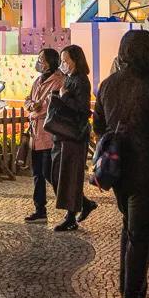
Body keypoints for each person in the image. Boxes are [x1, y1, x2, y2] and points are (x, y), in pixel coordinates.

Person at [92, 29, 149, 298]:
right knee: (141, 233)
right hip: (147, 170)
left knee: (130, 227)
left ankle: (128, 288)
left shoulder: (108, 84)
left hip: (119, 170)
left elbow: (98, 126)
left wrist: (114, 147)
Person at [52, 44, 96, 231]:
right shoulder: (69, 78)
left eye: (65, 60)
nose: (63, 64)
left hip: (74, 134)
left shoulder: (81, 81)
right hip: (62, 133)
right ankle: (84, 203)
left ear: (75, 60)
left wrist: (63, 97)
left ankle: (70, 216)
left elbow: (83, 109)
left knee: (69, 175)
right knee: (55, 172)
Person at [22, 47, 66, 222]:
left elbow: (49, 107)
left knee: (49, 173)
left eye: (42, 59)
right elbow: (29, 100)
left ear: (50, 62)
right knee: (37, 174)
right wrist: (32, 105)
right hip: (35, 134)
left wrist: (34, 110)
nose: (39, 62)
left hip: (48, 134)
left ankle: (73, 203)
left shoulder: (58, 81)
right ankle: (40, 209)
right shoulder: (38, 80)